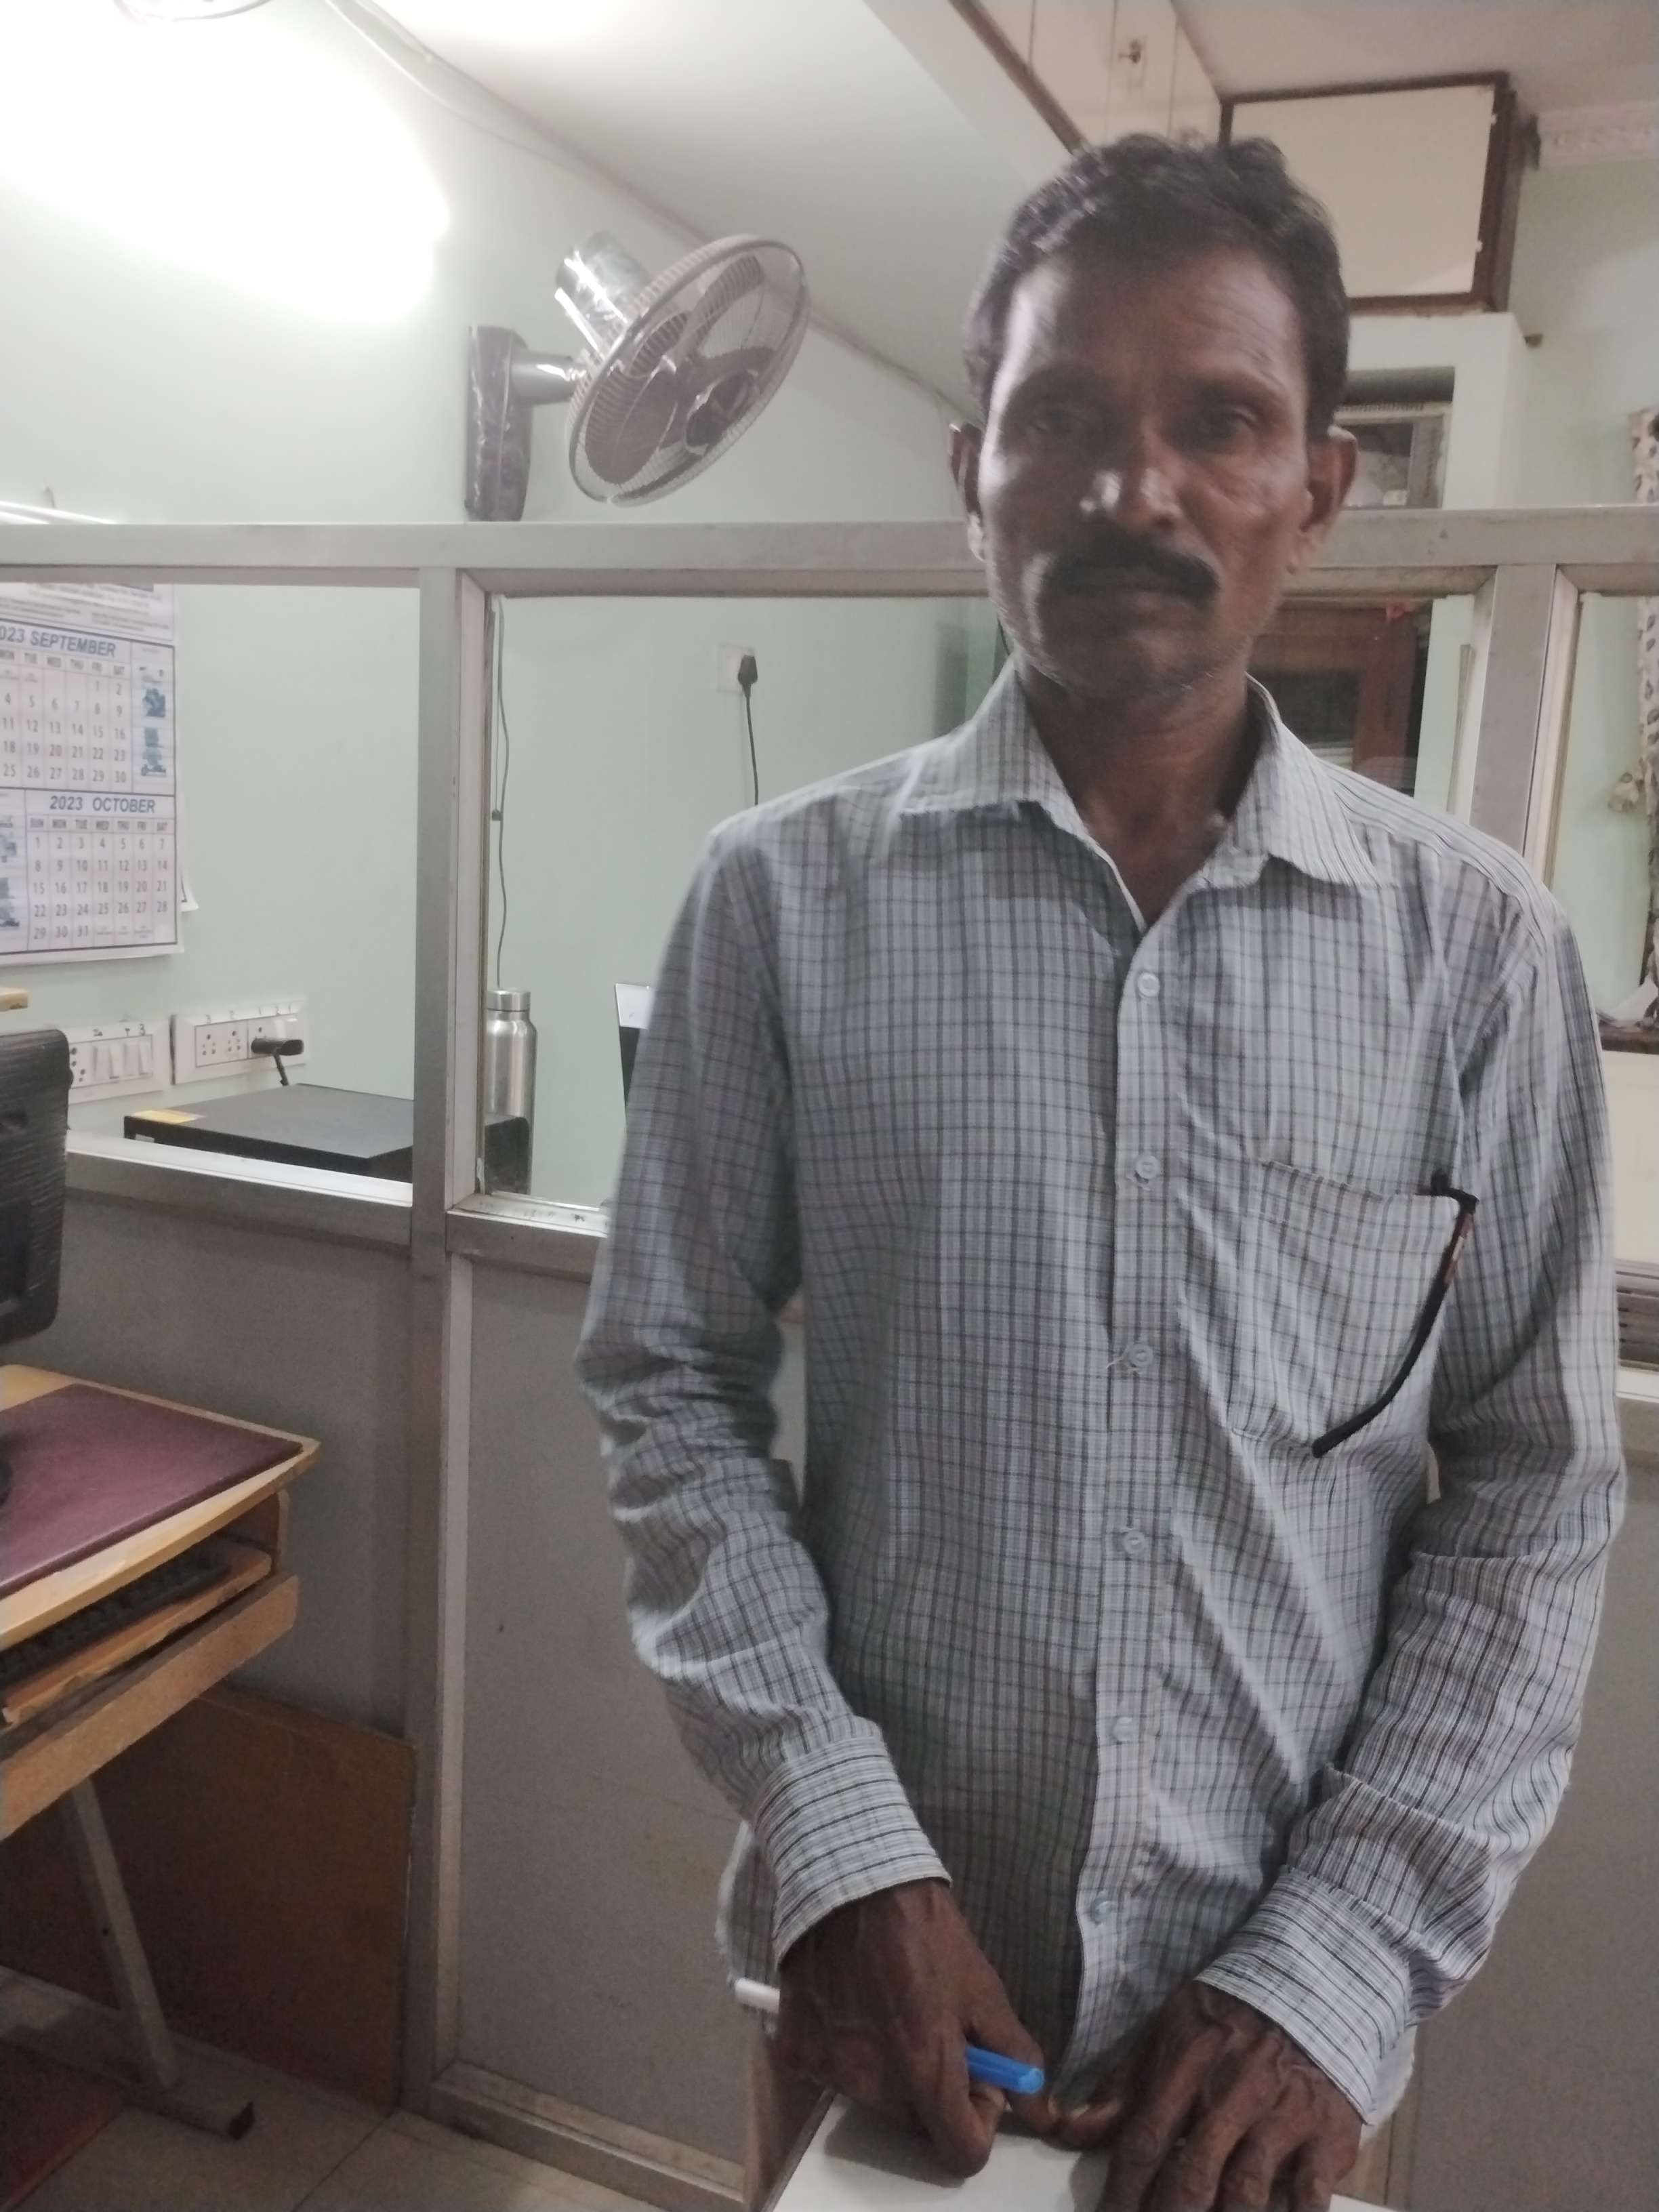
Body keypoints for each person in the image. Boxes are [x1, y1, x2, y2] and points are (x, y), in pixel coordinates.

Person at [577, 136, 1624, 2212]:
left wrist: (1329, 1971)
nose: (1132, 490)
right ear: (972, 470)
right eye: (1060, 417)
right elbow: (668, 1387)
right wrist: (843, 1849)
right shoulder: (779, 904)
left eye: (1218, 421)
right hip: (880, 1995)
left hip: (1259, 2060)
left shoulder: (1480, 957)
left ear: (1319, 489)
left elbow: (1532, 1492)